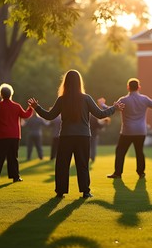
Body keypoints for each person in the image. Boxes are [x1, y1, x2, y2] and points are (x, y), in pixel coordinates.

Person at [28, 70, 123, 198]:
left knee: (62, 164)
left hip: (66, 136)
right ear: (79, 82)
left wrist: (37, 107)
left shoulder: (62, 99)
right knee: (82, 164)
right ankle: (85, 191)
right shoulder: (86, 98)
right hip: (83, 136)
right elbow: (100, 114)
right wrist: (114, 108)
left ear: (65, 82)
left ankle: (60, 191)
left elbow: (50, 116)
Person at [107, 78, 152, 179]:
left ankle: (117, 173)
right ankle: (141, 172)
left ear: (128, 87)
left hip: (127, 131)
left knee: (120, 151)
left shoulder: (123, 100)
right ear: (139, 87)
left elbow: (112, 109)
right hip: (141, 131)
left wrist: (102, 104)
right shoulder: (144, 99)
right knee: (139, 151)